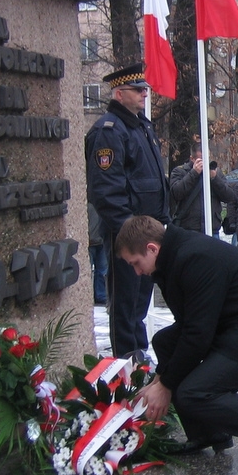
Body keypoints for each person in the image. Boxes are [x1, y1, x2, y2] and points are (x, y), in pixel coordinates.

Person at [117, 215, 238, 475]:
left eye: (136, 263)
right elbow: (189, 325)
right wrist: (160, 378)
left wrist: (165, 385)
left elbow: (198, 334)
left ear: (152, 249)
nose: (137, 272)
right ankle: (208, 433)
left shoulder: (193, 258)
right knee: (164, 342)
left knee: (195, 392)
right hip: (235, 324)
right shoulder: (171, 258)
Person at [84, 62, 170, 357]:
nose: (145, 93)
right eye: (138, 89)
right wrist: (129, 230)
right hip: (127, 233)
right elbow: (106, 191)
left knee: (140, 300)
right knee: (125, 301)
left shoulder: (141, 126)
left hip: (147, 231)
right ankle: (126, 360)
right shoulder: (109, 131)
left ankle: (139, 354)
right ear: (119, 94)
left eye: (145, 88)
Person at [169, 143, 236, 239]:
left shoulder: (216, 173)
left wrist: (214, 178)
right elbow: (176, 193)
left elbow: (229, 196)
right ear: (192, 159)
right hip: (189, 228)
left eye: (207, 158)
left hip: (212, 229)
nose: (205, 162)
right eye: (201, 159)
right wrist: (194, 173)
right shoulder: (180, 172)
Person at [87, 203, 107, 305]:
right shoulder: (89, 206)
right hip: (91, 242)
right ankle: (94, 295)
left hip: (100, 241)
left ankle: (101, 295)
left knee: (102, 270)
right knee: (89, 271)